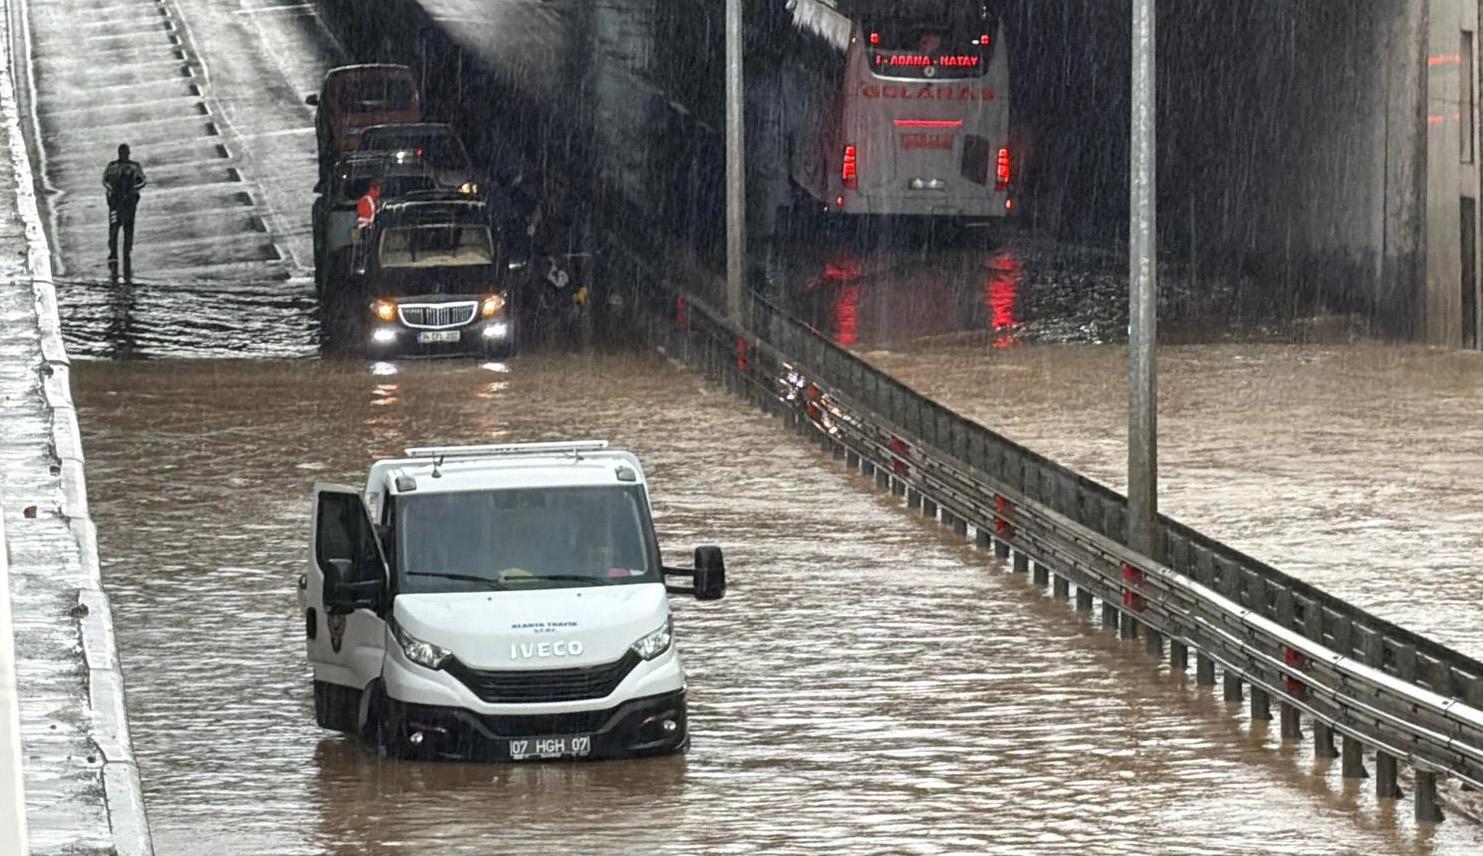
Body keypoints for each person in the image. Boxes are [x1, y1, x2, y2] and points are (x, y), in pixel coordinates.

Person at [102, 144, 147, 271]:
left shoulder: (134, 166)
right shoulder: (113, 166)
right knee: (114, 227)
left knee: (128, 227)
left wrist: (134, 189)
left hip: (129, 201)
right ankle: (114, 252)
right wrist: (111, 189)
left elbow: (142, 181)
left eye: (125, 153)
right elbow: (105, 180)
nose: (124, 155)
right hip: (115, 201)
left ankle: (126, 250)